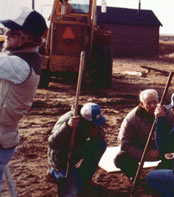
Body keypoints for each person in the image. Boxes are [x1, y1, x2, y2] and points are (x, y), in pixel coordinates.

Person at [0, 7, 47, 192]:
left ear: (29, 37)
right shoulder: (18, 58)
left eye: (14, 32)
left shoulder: (20, 64)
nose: (7, 34)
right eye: (7, 30)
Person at [114, 89, 174, 180]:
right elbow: (125, 144)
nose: (152, 106)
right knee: (120, 158)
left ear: (159, 101)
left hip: (161, 150)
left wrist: (159, 149)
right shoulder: (132, 118)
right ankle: (134, 175)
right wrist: (143, 154)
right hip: (140, 150)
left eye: (155, 102)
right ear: (142, 104)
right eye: (148, 103)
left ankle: (159, 174)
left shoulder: (168, 114)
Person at [47, 102, 107, 196]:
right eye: (94, 125)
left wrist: (95, 134)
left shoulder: (92, 121)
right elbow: (52, 143)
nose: (97, 126)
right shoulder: (68, 120)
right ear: (86, 121)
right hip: (62, 157)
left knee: (100, 145)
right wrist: (67, 127)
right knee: (71, 193)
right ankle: (54, 171)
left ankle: (84, 178)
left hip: (76, 149)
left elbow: (101, 135)